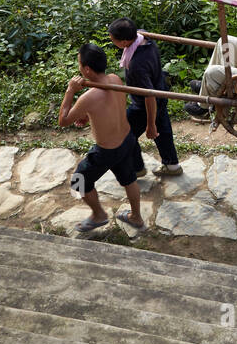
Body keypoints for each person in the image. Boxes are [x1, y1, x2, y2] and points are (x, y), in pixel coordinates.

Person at [58, 43, 146, 233]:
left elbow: (63, 121)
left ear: (87, 69)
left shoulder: (88, 97)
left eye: (80, 65)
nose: (79, 68)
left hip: (107, 152)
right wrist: (86, 115)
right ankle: (136, 218)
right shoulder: (115, 79)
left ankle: (99, 215)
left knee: (78, 180)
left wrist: (70, 91)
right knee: (129, 180)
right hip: (127, 140)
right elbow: (107, 109)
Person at [108, 18, 182, 178]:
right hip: (160, 89)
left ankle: (137, 167)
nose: (111, 41)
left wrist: (150, 125)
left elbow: (149, 96)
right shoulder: (144, 37)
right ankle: (172, 165)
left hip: (145, 103)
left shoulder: (137, 66)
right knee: (163, 129)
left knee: (124, 131)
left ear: (125, 41)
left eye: (113, 39)